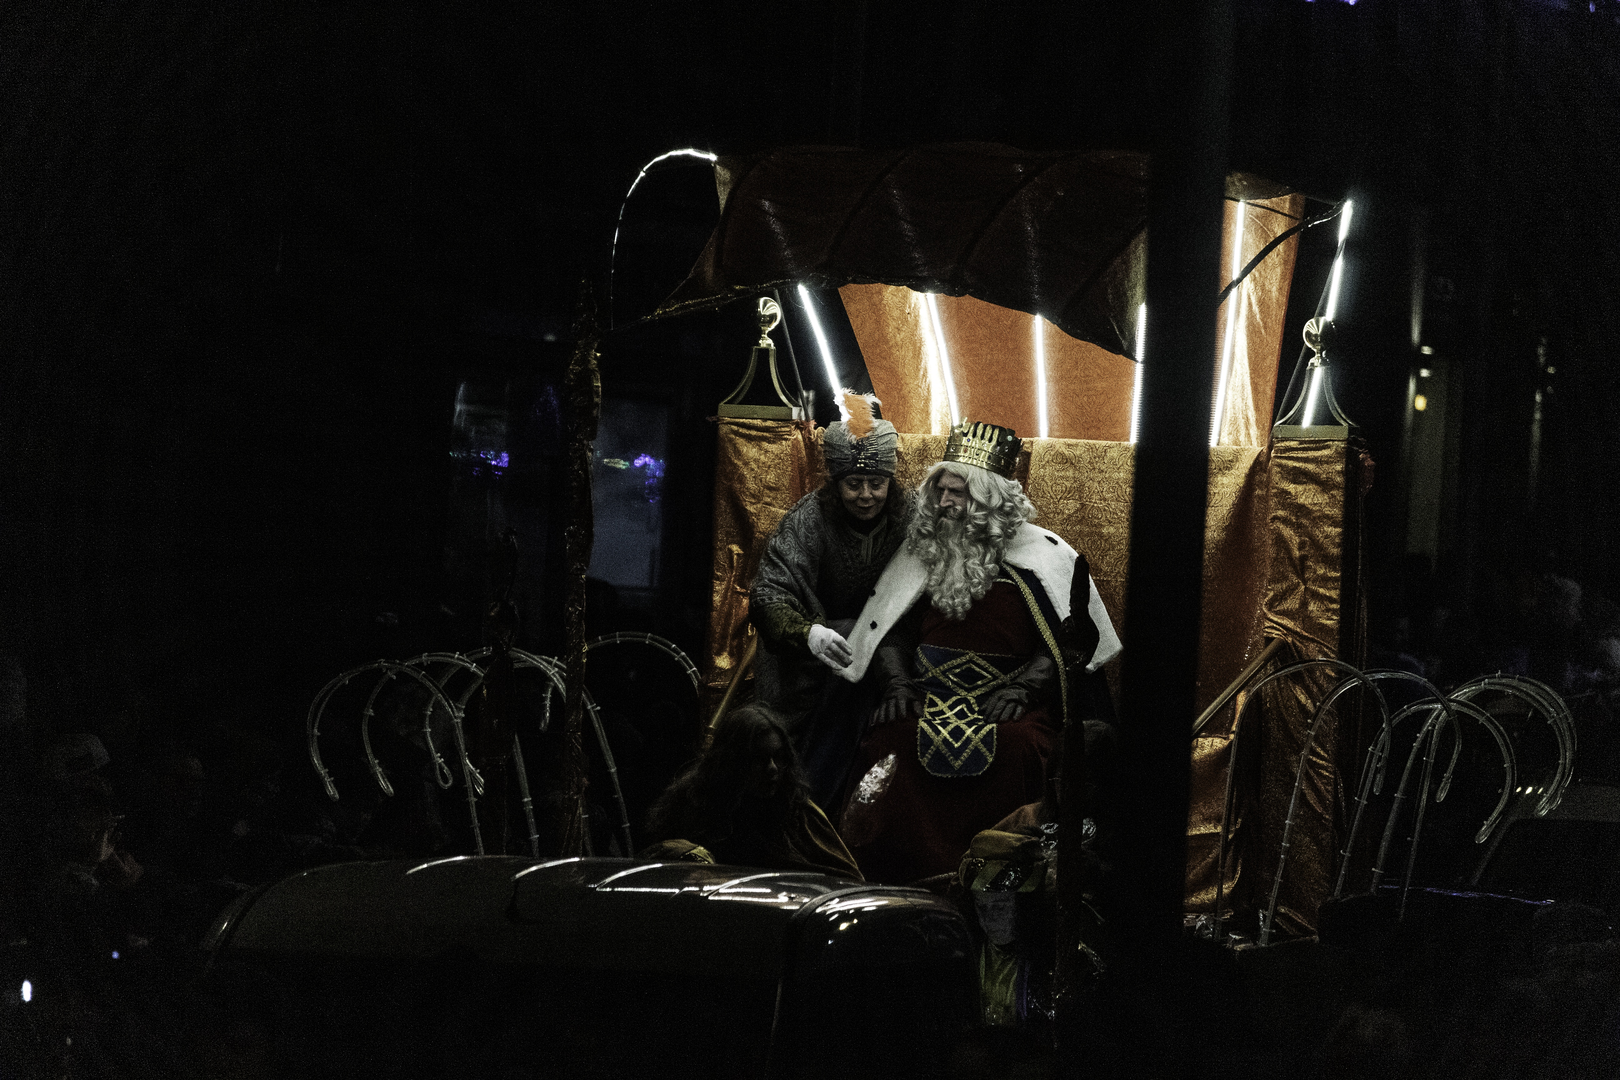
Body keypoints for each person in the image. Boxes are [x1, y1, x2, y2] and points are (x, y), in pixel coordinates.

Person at [831, 420, 1121, 885]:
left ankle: (1005, 873)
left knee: (1022, 747)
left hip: (1007, 697)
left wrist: (1025, 689)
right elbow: (891, 630)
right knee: (889, 739)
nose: (944, 502)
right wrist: (898, 683)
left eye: (957, 493)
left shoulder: (1046, 554)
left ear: (989, 500)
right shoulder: (922, 550)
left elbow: (1067, 644)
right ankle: (889, 874)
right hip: (926, 692)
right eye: (940, 491)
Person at [749, 392, 914, 804]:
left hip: (891, 652)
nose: (866, 495)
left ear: (891, 483)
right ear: (836, 483)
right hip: (808, 659)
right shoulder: (809, 519)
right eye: (853, 484)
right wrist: (809, 634)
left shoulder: (911, 517)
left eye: (876, 483)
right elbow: (768, 595)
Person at [641, 704, 861, 880]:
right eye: (759, 759)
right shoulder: (694, 807)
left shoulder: (798, 812)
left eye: (779, 757)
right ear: (733, 762)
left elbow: (846, 878)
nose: (773, 768)